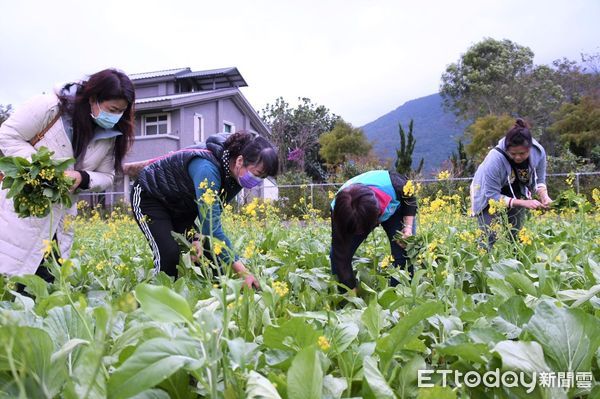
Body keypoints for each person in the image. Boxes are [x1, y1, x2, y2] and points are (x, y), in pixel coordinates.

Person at [0, 69, 135, 278]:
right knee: (12, 276)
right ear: (93, 99)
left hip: (60, 218)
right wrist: (41, 169)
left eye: (121, 112)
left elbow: (107, 176)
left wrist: (82, 178)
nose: (116, 117)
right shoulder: (48, 107)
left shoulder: (110, 135)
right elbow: (8, 136)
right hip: (24, 208)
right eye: (112, 109)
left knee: (48, 282)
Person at [130, 131, 278, 288]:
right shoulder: (207, 168)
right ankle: (156, 298)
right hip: (151, 197)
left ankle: (213, 299)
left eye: (262, 178)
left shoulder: (234, 177)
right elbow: (212, 228)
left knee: (210, 258)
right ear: (240, 160)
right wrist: (244, 273)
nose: (257, 181)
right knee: (169, 253)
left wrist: (197, 239)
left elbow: (209, 214)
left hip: (182, 207)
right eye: (257, 174)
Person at [330, 170, 418, 292]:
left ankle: (399, 294)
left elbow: (410, 200)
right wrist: (353, 298)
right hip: (353, 216)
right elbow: (340, 256)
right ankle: (344, 296)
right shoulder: (339, 212)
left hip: (395, 208)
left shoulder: (397, 185)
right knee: (338, 255)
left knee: (403, 249)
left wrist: (407, 229)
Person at [470, 118, 552, 247]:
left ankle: (516, 263)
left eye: (522, 153)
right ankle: (483, 263)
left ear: (530, 148)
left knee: (515, 234)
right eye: (513, 153)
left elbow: (539, 180)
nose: (518, 157)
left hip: (515, 189)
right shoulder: (494, 159)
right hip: (489, 194)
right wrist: (524, 203)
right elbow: (492, 194)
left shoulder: (538, 152)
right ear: (507, 148)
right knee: (489, 235)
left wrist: (544, 196)